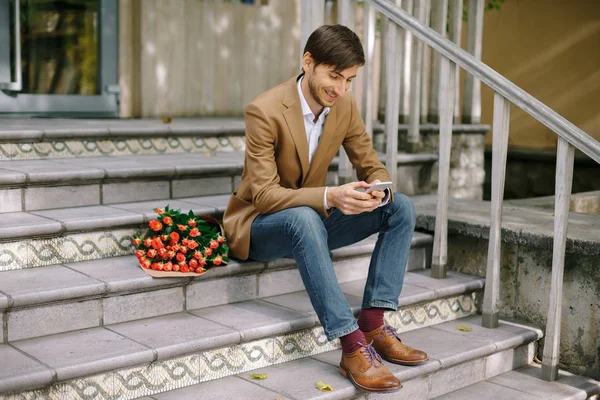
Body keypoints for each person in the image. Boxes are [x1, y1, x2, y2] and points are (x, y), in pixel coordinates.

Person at [223, 24, 428, 393]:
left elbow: (370, 161)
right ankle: (351, 347)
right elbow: (266, 195)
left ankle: (372, 322)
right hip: (259, 226)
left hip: (311, 222)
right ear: (308, 62)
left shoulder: (344, 104)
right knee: (304, 217)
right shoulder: (264, 110)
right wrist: (331, 196)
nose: (341, 89)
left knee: (401, 207)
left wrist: (377, 190)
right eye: (334, 76)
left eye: (349, 80)